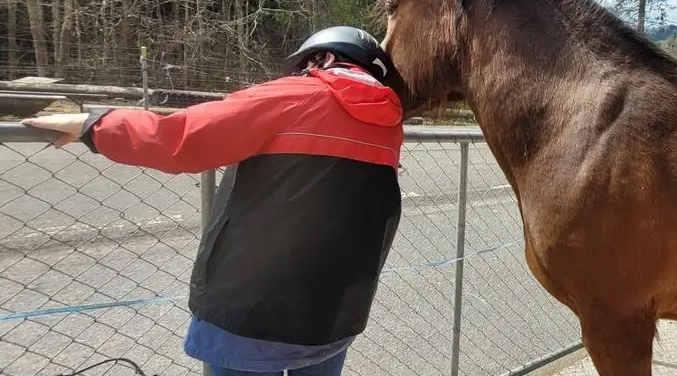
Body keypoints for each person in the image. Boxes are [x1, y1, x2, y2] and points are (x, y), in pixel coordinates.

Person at [22, 26, 406, 376]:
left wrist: (95, 124)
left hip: (250, 315)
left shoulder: (292, 96)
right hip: (334, 315)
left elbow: (181, 139)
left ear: (323, 58)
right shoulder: (389, 124)